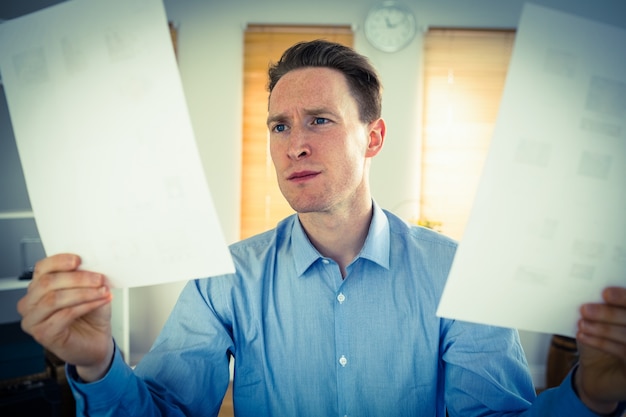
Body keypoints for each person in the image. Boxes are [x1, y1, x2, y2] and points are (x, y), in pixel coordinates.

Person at [17, 40, 626, 416]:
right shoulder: (222, 279)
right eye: (280, 126)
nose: (296, 145)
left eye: (320, 121)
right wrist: (98, 364)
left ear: (374, 137)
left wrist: (591, 398)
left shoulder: (457, 273)